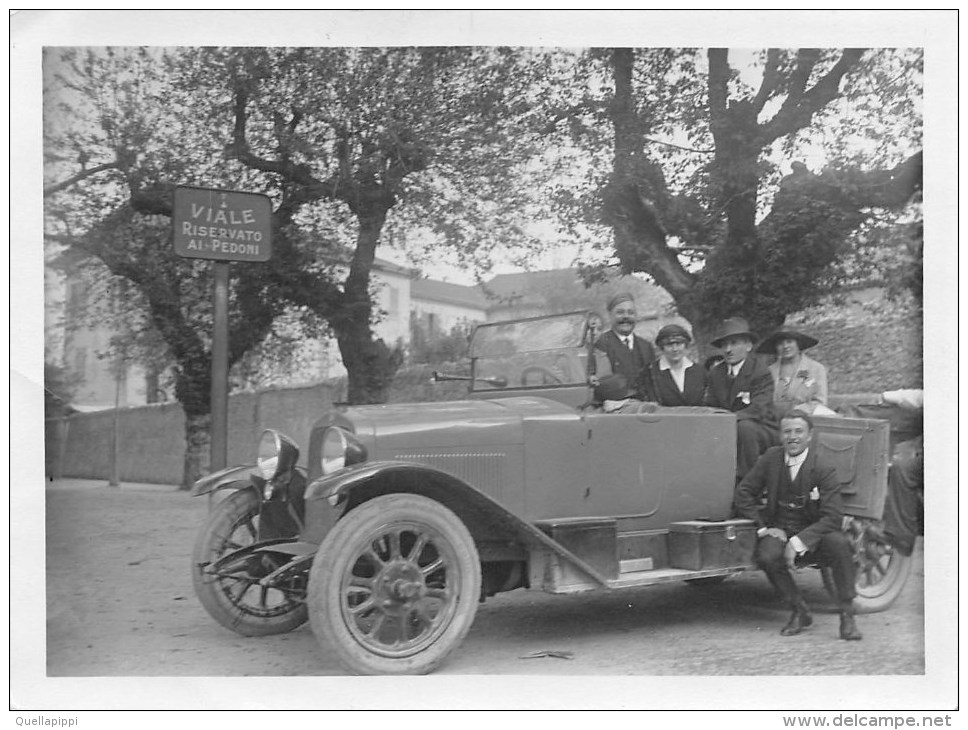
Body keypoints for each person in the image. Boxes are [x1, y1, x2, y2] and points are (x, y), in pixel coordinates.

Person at [734, 410, 863, 641]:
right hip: (780, 528)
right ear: (780, 435)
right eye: (787, 432)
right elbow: (744, 493)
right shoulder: (770, 459)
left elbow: (833, 516)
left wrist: (799, 541)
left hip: (816, 532)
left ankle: (847, 614)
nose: (792, 437)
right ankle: (799, 609)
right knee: (766, 555)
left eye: (798, 431)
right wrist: (763, 527)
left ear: (810, 436)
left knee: (839, 544)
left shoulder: (823, 466)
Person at [704, 317, 778, 481]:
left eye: (734, 343)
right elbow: (710, 404)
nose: (728, 350)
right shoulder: (716, 373)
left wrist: (729, 420)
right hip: (728, 426)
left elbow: (760, 409)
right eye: (724, 345)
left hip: (762, 428)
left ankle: (748, 484)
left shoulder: (760, 371)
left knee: (745, 428)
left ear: (748, 346)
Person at [594, 293, 656, 404]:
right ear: (610, 315)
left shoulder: (645, 346)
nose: (626, 317)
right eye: (620, 312)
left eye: (630, 313)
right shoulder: (600, 344)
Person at [757, 328, 830, 418]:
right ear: (776, 348)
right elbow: (761, 401)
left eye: (789, 342)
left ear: (798, 344)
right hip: (772, 420)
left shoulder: (816, 369)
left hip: (804, 420)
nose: (785, 346)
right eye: (780, 344)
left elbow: (820, 402)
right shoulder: (768, 371)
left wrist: (794, 410)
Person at [647, 323, 706, 406]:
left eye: (679, 344)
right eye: (669, 345)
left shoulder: (700, 372)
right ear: (662, 348)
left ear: (685, 346)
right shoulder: (650, 373)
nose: (675, 349)